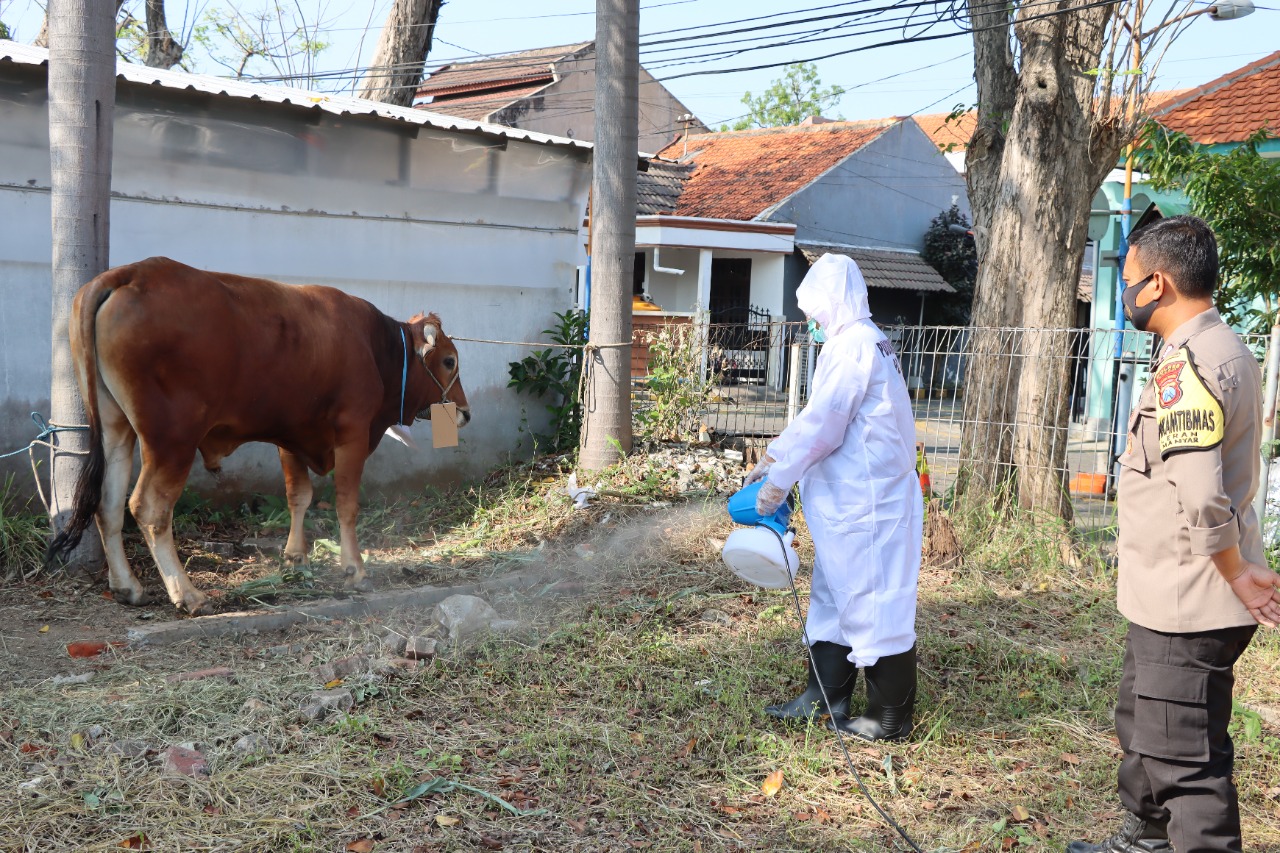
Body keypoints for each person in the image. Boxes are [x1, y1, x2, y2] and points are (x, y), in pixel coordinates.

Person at [1068, 216, 1280, 853]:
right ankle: (1148, 839)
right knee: (1145, 725)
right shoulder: (1219, 346)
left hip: (1191, 599)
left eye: (1127, 281)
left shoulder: (1185, 366)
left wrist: (1238, 571)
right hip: (1167, 597)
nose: (1123, 293)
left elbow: (1199, 492)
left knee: (1185, 762)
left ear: (1157, 284)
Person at [744, 253, 924, 742]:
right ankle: (823, 698)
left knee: (873, 600)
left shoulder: (855, 347)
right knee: (833, 593)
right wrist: (775, 456)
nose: (812, 322)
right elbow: (818, 415)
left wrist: (781, 477)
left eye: (815, 311)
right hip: (850, 502)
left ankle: (888, 717)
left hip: (869, 504)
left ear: (833, 302)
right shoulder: (858, 341)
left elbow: (826, 422)